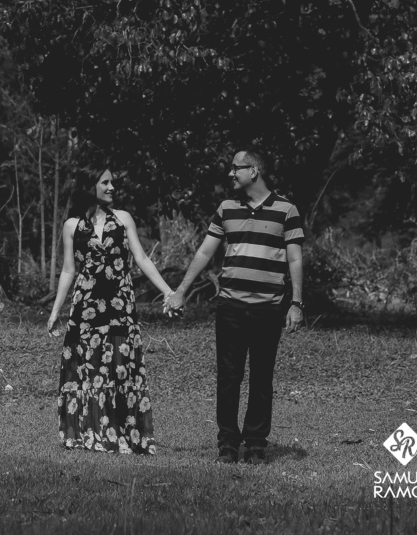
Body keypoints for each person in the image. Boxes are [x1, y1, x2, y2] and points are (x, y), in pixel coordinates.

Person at [165, 149, 305, 465]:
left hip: (268, 309)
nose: (230, 174)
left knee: (261, 379)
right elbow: (204, 252)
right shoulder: (226, 208)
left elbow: (295, 259)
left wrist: (296, 303)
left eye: (235, 168)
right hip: (230, 308)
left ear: (253, 171)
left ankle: (255, 444)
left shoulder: (286, 210)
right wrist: (181, 291)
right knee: (229, 378)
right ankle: (227, 443)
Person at [46, 165, 175, 454]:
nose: (111, 187)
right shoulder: (72, 225)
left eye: (112, 183)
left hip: (120, 305)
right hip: (86, 308)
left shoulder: (123, 219)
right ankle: (92, 433)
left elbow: (142, 258)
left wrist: (168, 292)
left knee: (121, 366)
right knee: (89, 367)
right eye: (104, 182)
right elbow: (68, 270)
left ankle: (123, 432)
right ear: (89, 186)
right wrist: (55, 312)